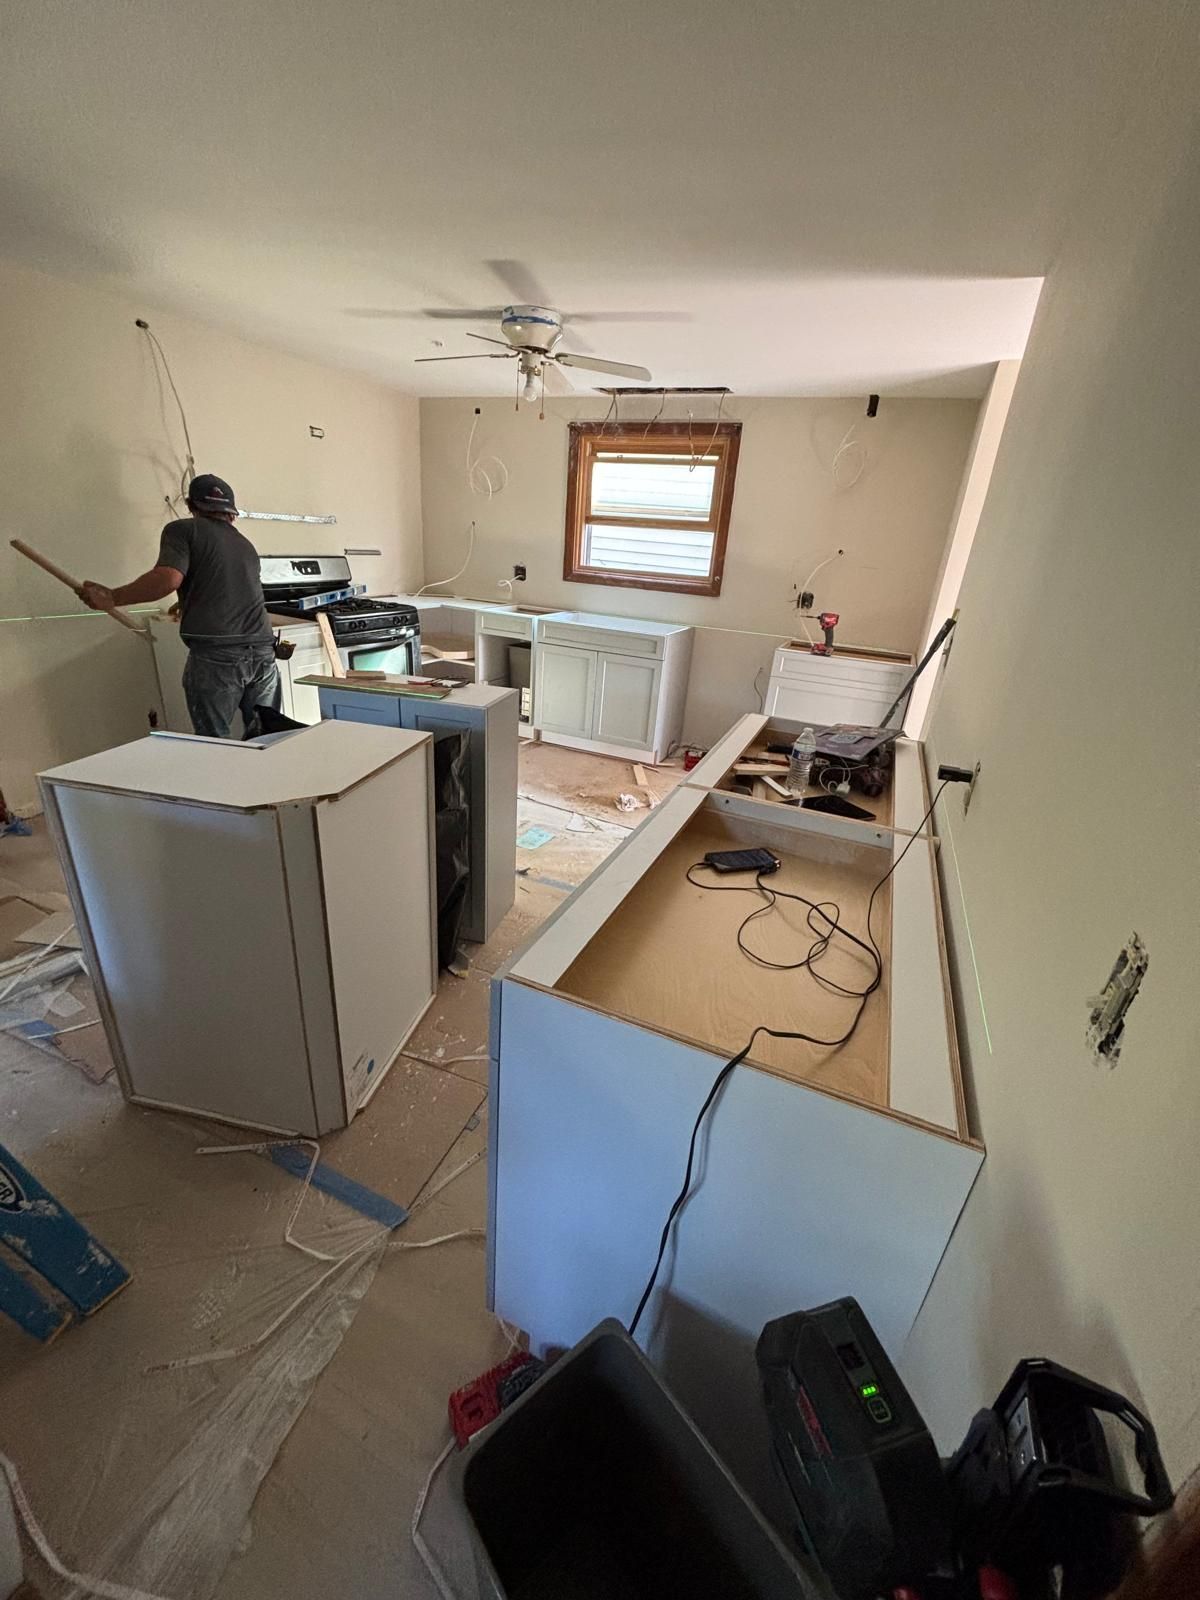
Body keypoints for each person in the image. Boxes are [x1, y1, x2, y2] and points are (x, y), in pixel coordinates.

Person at [82, 473, 281, 739]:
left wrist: (112, 598)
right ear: (231, 512)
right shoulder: (245, 545)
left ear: (191, 505)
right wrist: (186, 601)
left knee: (214, 743)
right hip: (263, 654)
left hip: (218, 657)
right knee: (268, 737)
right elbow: (231, 587)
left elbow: (167, 579)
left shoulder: (182, 530)